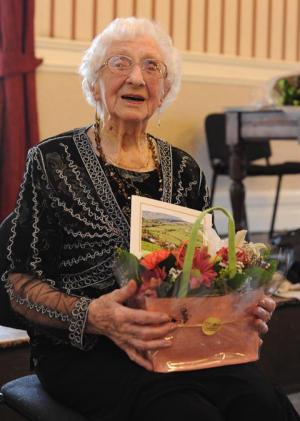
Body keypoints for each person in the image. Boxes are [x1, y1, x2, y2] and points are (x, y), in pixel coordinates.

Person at [3, 17, 299, 421]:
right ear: (93, 83)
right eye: (119, 63)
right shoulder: (52, 161)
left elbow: (204, 280)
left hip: (180, 341)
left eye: (152, 67)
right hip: (84, 349)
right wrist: (94, 317)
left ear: (164, 92)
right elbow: (17, 285)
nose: (136, 78)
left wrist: (238, 305)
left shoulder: (187, 170)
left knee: (265, 406)